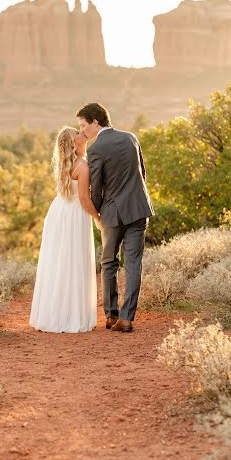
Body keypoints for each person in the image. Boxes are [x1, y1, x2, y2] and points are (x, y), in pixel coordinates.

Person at [77, 103, 154, 333]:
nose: (82, 131)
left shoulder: (96, 148)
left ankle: (111, 316)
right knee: (133, 264)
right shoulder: (131, 137)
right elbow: (142, 171)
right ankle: (128, 318)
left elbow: (97, 186)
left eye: (83, 125)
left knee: (109, 262)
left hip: (113, 214)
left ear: (95, 122)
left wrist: (98, 214)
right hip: (139, 208)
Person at [29, 127, 99, 333]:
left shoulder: (63, 163)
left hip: (59, 211)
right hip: (75, 214)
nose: (82, 133)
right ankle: (70, 316)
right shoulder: (82, 166)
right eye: (78, 133)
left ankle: (54, 314)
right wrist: (98, 218)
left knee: (59, 262)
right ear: (73, 143)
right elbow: (85, 199)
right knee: (74, 261)